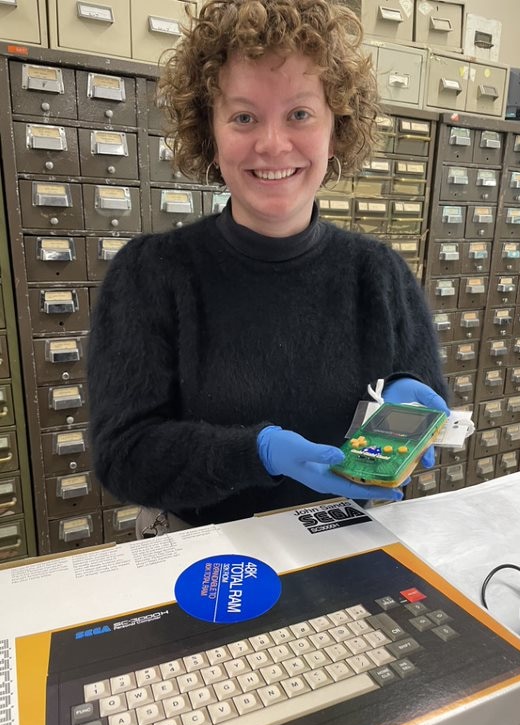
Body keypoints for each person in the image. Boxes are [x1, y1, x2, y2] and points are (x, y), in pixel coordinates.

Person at [87, 0, 449, 534]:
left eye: (300, 114)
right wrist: (257, 453)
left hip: (346, 541)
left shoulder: (380, 275)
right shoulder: (151, 274)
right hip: (205, 553)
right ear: (210, 133)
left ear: (335, 127)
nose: (273, 144)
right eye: (244, 116)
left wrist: (405, 408)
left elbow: (425, 405)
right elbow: (124, 457)